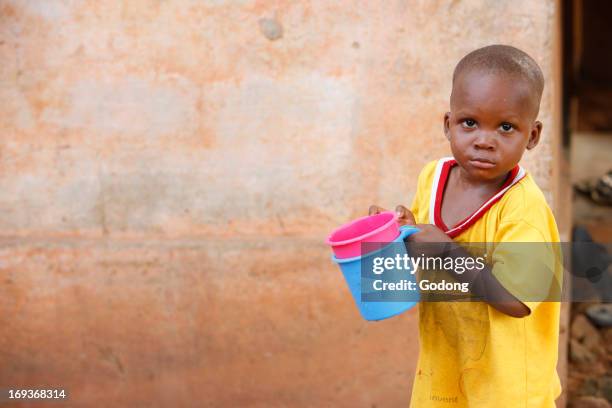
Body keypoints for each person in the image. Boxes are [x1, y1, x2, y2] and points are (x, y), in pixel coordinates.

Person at [369, 45, 563, 407]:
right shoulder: (433, 178)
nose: (484, 140)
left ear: (532, 136)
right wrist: (395, 237)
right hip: (445, 375)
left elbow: (517, 301)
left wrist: (446, 251)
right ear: (448, 124)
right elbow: (418, 257)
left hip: (506, 390)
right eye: (469, 123)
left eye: (506, 127)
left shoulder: (523, 210)